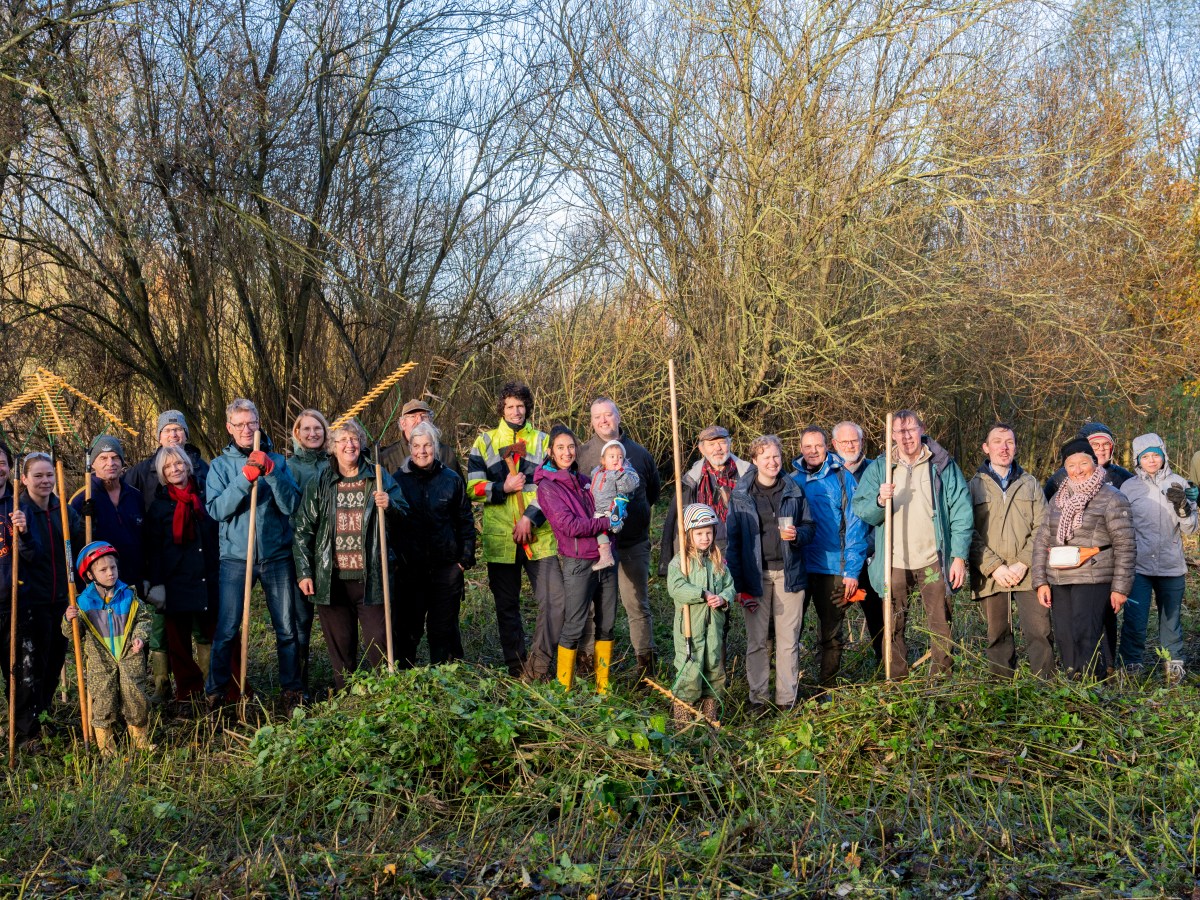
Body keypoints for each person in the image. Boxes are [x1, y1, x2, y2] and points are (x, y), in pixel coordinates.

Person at [851, 411, 972, 678]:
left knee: (940, 621)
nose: (906, 437)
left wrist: (959, 556)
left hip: (933, 559)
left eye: (910, 430)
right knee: (892, 623)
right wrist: (880, 501)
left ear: (922, 430)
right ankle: (897, 678)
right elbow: (861, 508)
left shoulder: (941, 464)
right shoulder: (881, 468)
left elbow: (962, 510)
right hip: (893, 561)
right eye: (899, 432)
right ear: (892, 435)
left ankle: (941, 676)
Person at [292, 420, 407, 690]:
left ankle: (384, 694)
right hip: (331, 579)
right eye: (342, 440)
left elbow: (405, 514)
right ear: (332, 446)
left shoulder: (377, 477)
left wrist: (389, 505)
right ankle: (346, 696)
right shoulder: (321, 481)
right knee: (340, 647)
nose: (349, 445)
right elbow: (302, 530)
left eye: (354, 439)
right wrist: (305, 571)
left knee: (379, 640)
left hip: (372, 577)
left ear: (361, 443)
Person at [205, 399, 304, 708]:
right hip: (236, 558)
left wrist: (272, 472)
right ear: (229, 428)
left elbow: (292, 506)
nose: (247, 429)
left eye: (252, 423)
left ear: (259, 423)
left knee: (287, 628)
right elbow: (217, 510)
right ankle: (217, 693)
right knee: (227, 629)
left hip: (275, 557)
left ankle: (291, 690)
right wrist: (245, 478)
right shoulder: (220, 467)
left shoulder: (278, 460)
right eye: (240, 424)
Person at [466, 381, 564, 680]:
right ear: (501, 408)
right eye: (510, 406)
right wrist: (502, 487)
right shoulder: (484, 443)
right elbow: (472, 488)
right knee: (507, 607)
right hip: (501, 540)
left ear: (528, 407)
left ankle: (540, 665)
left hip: (539, 537)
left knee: (555, 600)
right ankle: (517, 668)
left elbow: (553, 486)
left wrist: (530, 518)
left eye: (521, 405)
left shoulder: (545, 442)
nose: (516, 411)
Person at [1032, 438, 1136, 678]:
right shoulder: (1058, 499)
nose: (1077, 470)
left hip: (1093, 575)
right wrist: (1040, 581)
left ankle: (1091, 683)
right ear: (1064, 468)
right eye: (1071, 465)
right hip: (1059, 575)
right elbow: (1042, 541)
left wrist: (1120, 588)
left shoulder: (1112, 497)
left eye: (1083, 463)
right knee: (1065, 634)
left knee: (1086, 632)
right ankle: (1073, 678)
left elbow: (1125, 545)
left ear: (1094, 463)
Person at [576, 397, 661, 682]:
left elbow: (653, 495)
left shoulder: (639, 454)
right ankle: (589, 666)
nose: (603, 420)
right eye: (597, 416)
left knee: (636, 603)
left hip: (632, 543)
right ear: (591, 421)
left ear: (618, 416)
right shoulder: (582, 454)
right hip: (594, 544)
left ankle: (645, 669)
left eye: (608, 414)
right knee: (591, 606)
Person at [726, 435, 814, 708]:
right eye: (766, 457)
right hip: (756, 578)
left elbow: (810, 527)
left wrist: (797, 534)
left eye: (776, 456)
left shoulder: (794, 490)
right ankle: (758, 700)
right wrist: (740, 586)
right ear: (754, 461)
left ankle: (786, 700)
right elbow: (733, 543)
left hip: (790, 576)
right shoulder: (741, 495)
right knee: (757, 642)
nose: (773, 462)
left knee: (788, 642)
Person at [9, 453, 84, 750]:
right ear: (24, 479)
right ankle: (27, 728)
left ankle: (43, 712)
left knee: (55, 659)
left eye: (49, 476)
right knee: (31, 666)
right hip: (32, 600)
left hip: (61, 599)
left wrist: (83, 521)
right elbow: (30, 555)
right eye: (38, 476)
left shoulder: (62, 510)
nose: (45, 481)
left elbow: (77, 544)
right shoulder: (20, 510)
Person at [967, 423, 1053, 678]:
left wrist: (1023, 562)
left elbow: (1044, 526)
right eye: (997, 442)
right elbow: (967, 531)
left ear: (1015, 447)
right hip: (991, 574)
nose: (1004, 448)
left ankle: (1045, 690)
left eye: (1009, 442)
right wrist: (994, 567)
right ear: (986, 447)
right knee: (997, 635)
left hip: (1027, 573)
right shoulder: (973, 485)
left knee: (1040, 632)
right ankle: (1001, 693)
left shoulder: (1031, 484)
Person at [534, 425, 616, 692]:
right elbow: (568, 526)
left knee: (607, 623)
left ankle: (603, 688)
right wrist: (604, 523)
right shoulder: (547, 487)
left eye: (570, 447)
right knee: (574, 624)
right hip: (579, 563)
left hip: (605, 558)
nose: (567, 452)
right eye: (560, 448)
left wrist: (613, 516)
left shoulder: (583, 481)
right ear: (550, 452)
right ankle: (563, 689)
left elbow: (602, 509)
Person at [70, 436, 152, 698]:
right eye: (103, 459)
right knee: (106, 649)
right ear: (93, 464)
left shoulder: (135, 496)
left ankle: (135, 700)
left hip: (131, 584)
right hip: (101, 590)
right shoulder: (82, 497)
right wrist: (83, 521)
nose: (110, 463)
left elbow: (146, 537)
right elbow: (72, 543)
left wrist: (148, 576)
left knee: (136, 645)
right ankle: (107, 705)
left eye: (115, 457)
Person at [142, 445, 221, 706]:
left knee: (212, 633)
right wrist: (157, 585)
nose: (175, 469)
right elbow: (153, 550)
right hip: (175, 582)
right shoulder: (159, 507)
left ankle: (216, 687)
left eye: (179, 464)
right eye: (168, 466)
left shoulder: (205, 496)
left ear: (187, 465)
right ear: (163, 473)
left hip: (206, 578)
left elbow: (215, 537)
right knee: (178, 643)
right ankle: (187, 692)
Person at [791, 426, 869, 688]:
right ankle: (787, 687)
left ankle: (827, 687)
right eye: (807, 446)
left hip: (834, 569)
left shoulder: (844, 480)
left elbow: (856, 528)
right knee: (790, 632)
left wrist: (852, 572)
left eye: (818, 446)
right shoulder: (791, 480)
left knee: (832, 634)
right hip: (799, 567)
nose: (813, 451)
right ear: (800, 448)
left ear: (828, 447)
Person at [1118, 433, 1198, 682]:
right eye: (1145, 456)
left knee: (1171, 619)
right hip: (1139, 565)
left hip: (1171, 564)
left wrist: (1183, 508)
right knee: (1135, 618)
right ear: (1137, 460)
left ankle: (1174, 664)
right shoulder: (1129, 487)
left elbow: (1191, 529)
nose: (1151, 460)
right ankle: (1130, 665)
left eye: (1156, 455)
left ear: (1164, 455)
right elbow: (1121, 527)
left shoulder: (1179, 483)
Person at [394, 422, 475, 666]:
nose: (422, 451)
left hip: (446, 568)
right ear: (410, 448)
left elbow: (465, 520)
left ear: (435, 447)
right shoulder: (397, 480)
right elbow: (391, 524)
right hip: (410, 569)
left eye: (427, 445)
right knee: (409, 628)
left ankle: (441, 678)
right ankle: (405, 677)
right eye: (416, 446)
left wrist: (464, 559)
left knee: (442, 628)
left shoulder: (450, 479)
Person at [65, 542, 154, 754]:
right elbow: (72, 636)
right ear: (89, 575)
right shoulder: (82, 603)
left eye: (113, 568)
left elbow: (144, 619)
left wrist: (140, 637)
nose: (110, 573)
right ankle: (106, 746)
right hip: (100, 662)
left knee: (136, 697)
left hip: (129, 657)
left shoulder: (129, 595)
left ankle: (140, 739)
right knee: (103, 700)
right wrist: (69, 620)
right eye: (103, 570)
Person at [667, 503, 734, 728]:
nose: (705, 538)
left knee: (714, 664)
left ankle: (710, 712)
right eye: (699, 533)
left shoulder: (717, 561)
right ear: (688, 535)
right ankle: (683, 716)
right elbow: (676, 588)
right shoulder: (681, 562)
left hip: (713, 626)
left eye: (708, 533)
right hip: (690, 627)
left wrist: (723, 597)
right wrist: (701, 594)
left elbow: (730, 585)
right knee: (690, 667)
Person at [659, 426, 751, 575]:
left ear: (730, 444)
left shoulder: (748, 475)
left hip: (741, 549)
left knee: (740, 595)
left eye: (722, 442)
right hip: (703, 553)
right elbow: (677, 524)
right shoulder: (691, 481)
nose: (718, 448)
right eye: (711, 444)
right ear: (702, 449)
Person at [285, 408, 331, 696]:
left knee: (334, 617)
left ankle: (340, 675)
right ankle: (299, 684)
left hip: (331, 552)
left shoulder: (334, 463)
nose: (313, 433)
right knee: (301, 621)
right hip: (301, 552)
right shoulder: (290, 467)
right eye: (307, 429)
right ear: (297, 434)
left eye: (318, 428)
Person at [833, 420, 886, 665]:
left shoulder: (877, 471)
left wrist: (871, 548)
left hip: (871, 559)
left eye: (854, 440)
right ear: (834, 444)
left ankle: (884, 667)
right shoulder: (827, 473)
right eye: (844, 441)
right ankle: (831, 676)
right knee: (832, 622)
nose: (850, 445)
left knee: (879, 618)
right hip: (838, 563)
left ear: (862, 442)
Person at [124, 410, 210, 511]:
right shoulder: (142, 471)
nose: (173, 435)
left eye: (178, 429)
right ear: (160, 437)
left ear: (186, 435)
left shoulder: (202, 467)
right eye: (167, 430)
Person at [1044, 422, 1134, 500]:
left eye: (1106, 444)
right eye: (1095, 444)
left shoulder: (1123, 477)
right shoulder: (1061, 477)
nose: (1101, 448)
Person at [379, 399, 464, 480]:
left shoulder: (446, 453)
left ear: (430, 420)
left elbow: (459, 489)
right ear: (403, 423)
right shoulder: (388, 457)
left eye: (424, 416)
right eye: (413, 416)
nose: (419, 420)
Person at [587, 440, 639, 571]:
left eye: (620, 457)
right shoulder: (597, 472)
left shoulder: (621, 473)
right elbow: (594, 484)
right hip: (596, 508)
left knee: (600, 528)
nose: (616, 459)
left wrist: (621, 472)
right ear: (603, 460)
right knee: (594, 528)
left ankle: (606, 556)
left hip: (610, 509)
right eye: (612, 456)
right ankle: (604, 554)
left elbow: (630, 486)